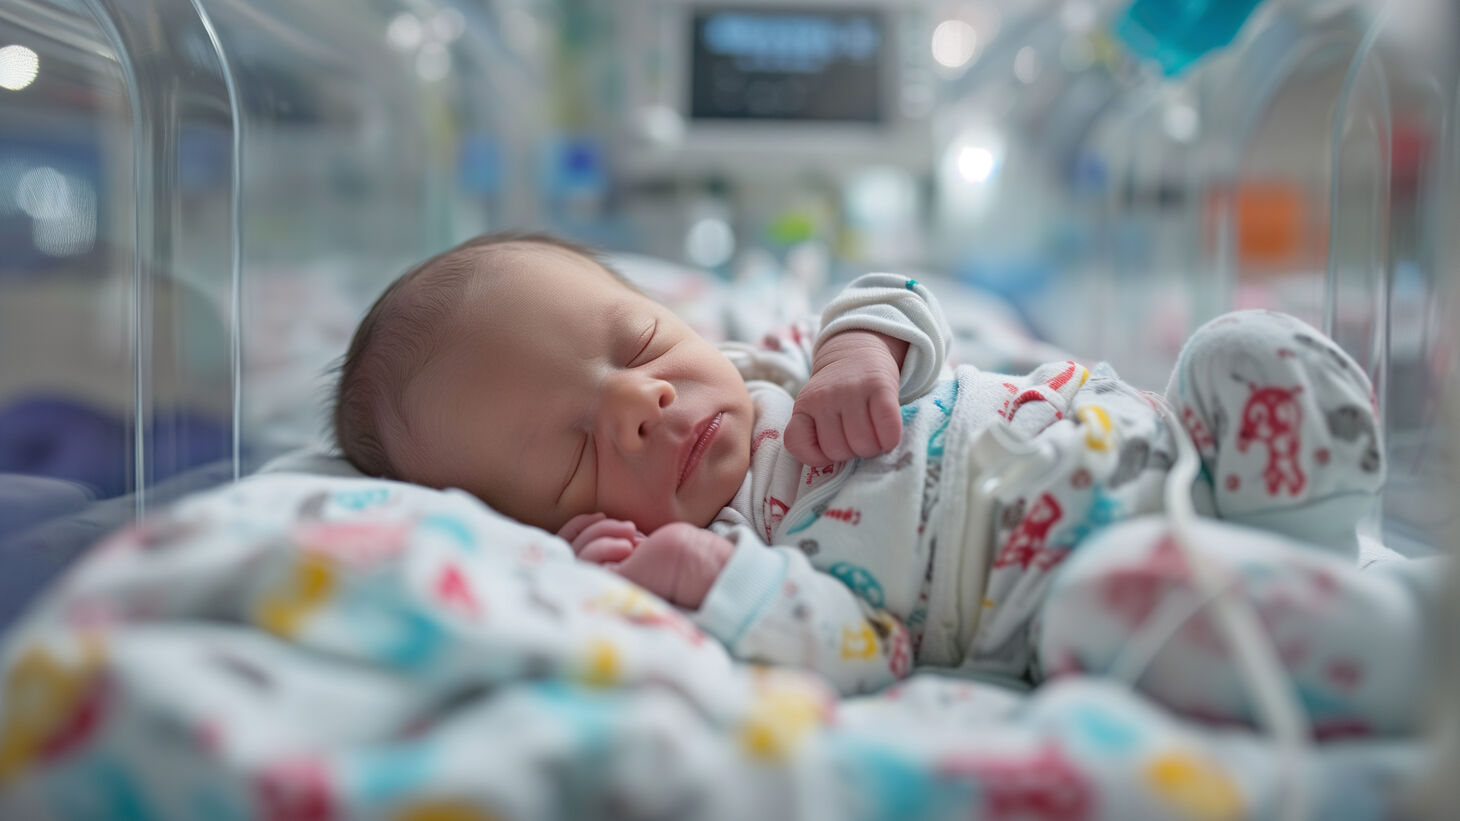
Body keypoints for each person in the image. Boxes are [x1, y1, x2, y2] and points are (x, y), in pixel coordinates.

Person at [334, 232, 1428, 733]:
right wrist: (712, 580)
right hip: (1084, 577)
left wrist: (859, 349)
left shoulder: (777, 362)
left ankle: (1317, 515)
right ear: (546, 527)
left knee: (1239, 346)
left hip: (1175, 445)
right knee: (1118, 613)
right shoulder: (724, 563)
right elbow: (867, 653)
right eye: (574, 448)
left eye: (636, 342)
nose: (641, 402)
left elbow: (892, 291)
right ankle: (1393, 637)